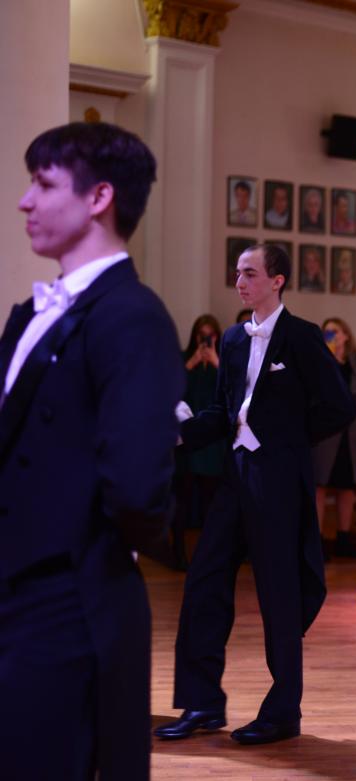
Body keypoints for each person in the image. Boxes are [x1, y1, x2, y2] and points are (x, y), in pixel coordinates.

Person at [0, 121, 184, 780]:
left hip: (69, 605)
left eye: (44, 184)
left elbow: (136, 487)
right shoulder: (32, 313)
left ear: (99, 197)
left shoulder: (133, 317)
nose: (25, 201)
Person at [155, 243, 355, 746]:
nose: (240, 282)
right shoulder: (232, 338)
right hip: (236, 474)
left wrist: (287, 442)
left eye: (250, 273)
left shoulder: (303, 337)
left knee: (278, 595)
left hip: (278, 481)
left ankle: (283, 712)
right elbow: (224, 412)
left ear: (277, 280)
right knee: (203, 582)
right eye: (238, 273)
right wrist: (177, 434)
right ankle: (202, 703)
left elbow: (340, 407)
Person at [312, 317, 356, 558]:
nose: (331, 336)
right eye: (327, 333)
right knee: (319, 487)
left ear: (346, 335)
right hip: (325, 436)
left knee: (347, 488)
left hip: (352, 436)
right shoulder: (319, 362)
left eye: (335, 332)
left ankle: (344, 539)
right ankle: (317, 542)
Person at [175, 314, 227, 569]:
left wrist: (217, 362)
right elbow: (172, 390)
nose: (205, 340)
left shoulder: (225, 361)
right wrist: (192, 363)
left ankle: (207, 557)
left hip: (212, 440)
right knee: (182, 500)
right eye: (201, 335)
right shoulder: (184, 359)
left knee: (211, 501)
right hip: (186, 437)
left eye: (210, 335)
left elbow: (234, 391)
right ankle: (178, 553)